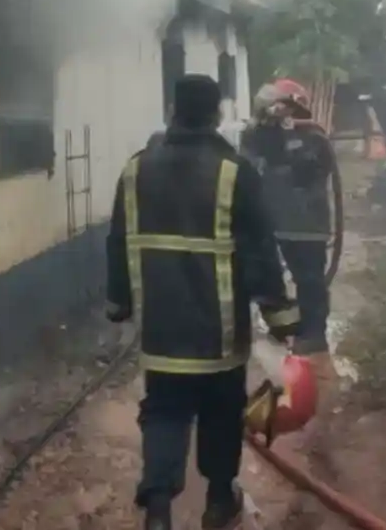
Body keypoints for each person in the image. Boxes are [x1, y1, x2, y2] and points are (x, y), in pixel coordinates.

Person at [106, 74, 297, 530]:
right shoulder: (235, 172)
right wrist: (281, 316)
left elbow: (118, 241)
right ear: (215, 115)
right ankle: (217, 502)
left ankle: (157, 509)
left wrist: (120, 304)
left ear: (173, 110)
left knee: (164, 410)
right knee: (221, 411)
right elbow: (259, 253)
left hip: (161, 328)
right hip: (219, 331)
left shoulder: (135, 169)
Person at [240, 79, 338, 398]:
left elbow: (307, 171)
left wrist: (286, 147)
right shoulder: (255, 136)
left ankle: (313, 338)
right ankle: (277, 329)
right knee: (263, 278)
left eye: (286, 108)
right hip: (269, 221)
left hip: (306, 224)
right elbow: (250, 166)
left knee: (310, 280)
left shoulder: (314, 137)